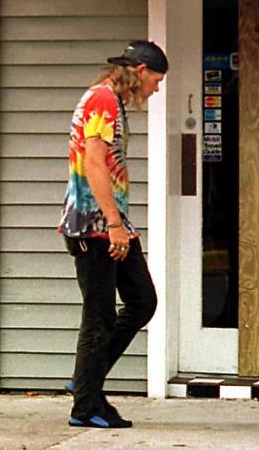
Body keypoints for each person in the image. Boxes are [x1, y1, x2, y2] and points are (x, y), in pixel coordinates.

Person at [58, 40, 168, 428]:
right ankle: (86, 406)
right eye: (155, 80)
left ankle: (87, 383)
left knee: (142, 301)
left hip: (111, 222)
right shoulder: (102, 100)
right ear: (139, 71)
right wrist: (114, 224)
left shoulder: (109, 101)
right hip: (95, 226)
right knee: (100, 317)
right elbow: (93, 162)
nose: (155, 88)